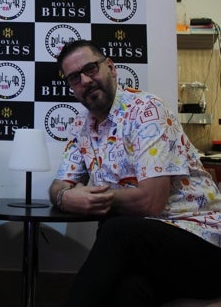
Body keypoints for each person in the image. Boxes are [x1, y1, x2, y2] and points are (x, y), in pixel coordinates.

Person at [48, 39, 221, 306]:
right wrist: (65, 197)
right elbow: (60, 185)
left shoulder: (147, 110)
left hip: (203, 242)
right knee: (129, 291)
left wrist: (93, 197)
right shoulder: (81, 125)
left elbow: (151, 202)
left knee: (116, 230)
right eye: (74, 78)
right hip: (153, 255)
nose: (85, 80)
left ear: (111, 67)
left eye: (91, 69)